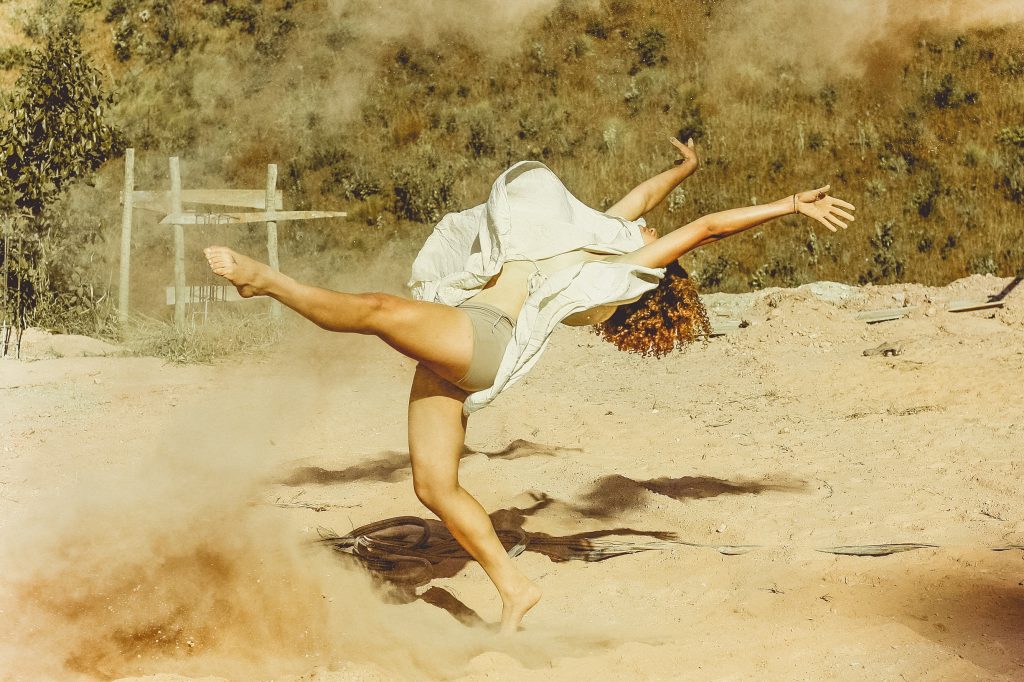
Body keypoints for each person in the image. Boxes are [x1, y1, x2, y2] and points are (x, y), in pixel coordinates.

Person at [203, 137, 855, 633]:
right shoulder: (588, 236)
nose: (650, 225)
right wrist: (684, 168)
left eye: (657, 239)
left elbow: (707, 226)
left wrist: (791, 205)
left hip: (483, 336)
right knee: (434, 486)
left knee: (376, 311)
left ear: (654, 279)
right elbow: (643, 201)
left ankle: (268, 283)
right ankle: (516, 589)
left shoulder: (625, 264)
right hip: (459, 349)